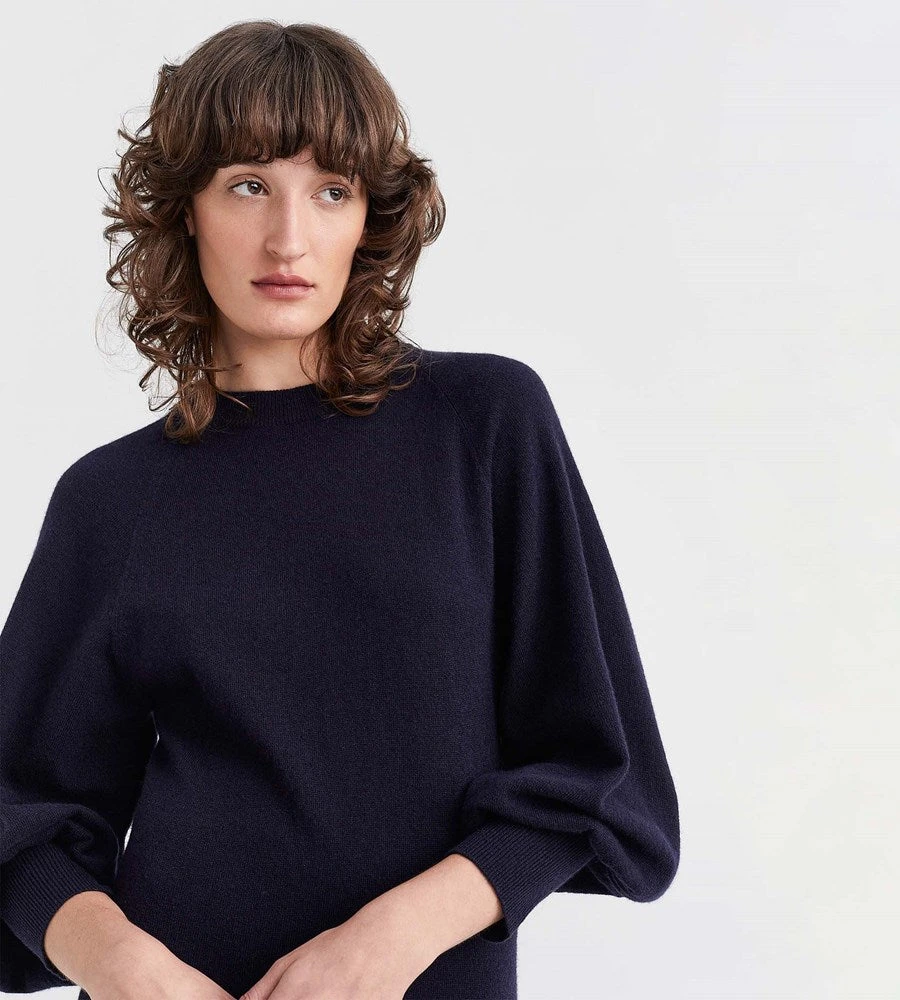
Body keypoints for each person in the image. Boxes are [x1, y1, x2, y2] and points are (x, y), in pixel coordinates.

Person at [0, 19, 680, 1000]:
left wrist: (393, 937)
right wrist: (124, 965)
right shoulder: (111, 500)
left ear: (370, 218)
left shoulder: (484, 424)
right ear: (185, 209)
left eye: (331, 190)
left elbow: (599, 774)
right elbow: (20, 814)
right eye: (248, 185)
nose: (289, 238)